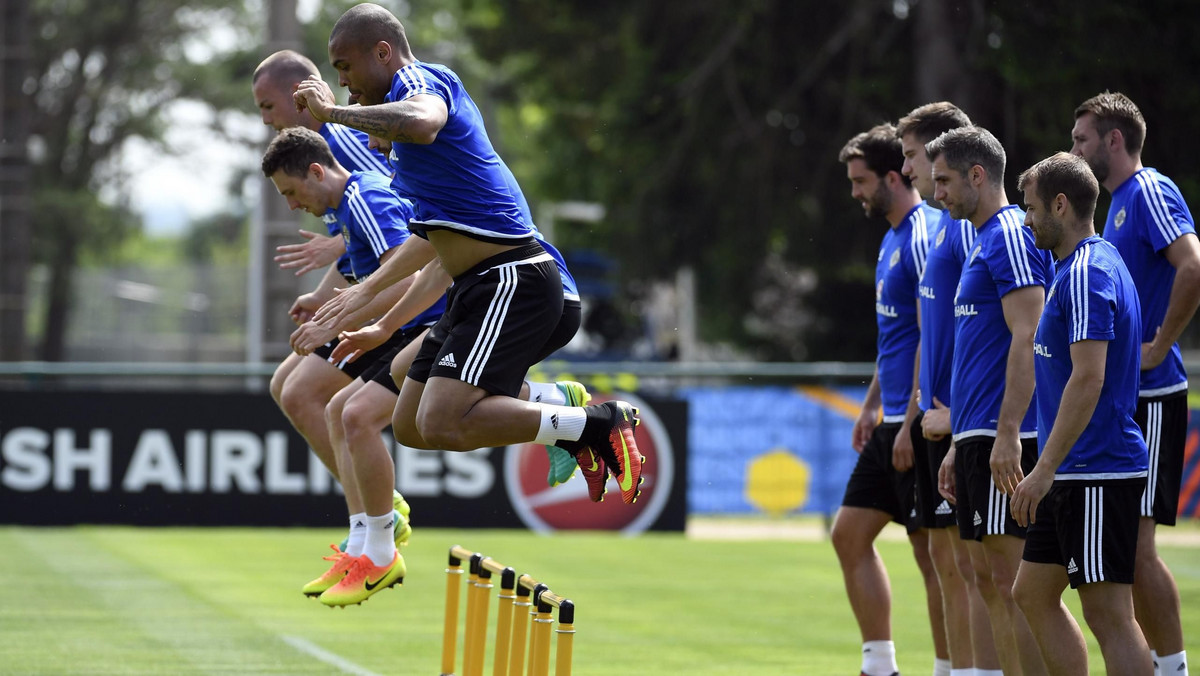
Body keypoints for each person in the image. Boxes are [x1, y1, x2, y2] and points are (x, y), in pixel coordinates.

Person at [290, 3, 645, 505]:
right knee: (413, 424)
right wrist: (363, 300)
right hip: (476, 290)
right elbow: (430, 247)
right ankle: (566, 420)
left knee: (442, 418)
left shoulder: (419, 80)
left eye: (345, 67)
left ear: (383, 52)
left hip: (511, 280)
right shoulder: (411, 169)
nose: (343, 82)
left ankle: (593, 425)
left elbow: (423, 120)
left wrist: (332, 114)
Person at [261, 126, 445, 606]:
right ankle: (365, 542)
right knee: (339, 411)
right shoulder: (345, 208)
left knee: (352, 414)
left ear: (317, 171)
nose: (290, 205)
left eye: (291, 191)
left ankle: (379, 542)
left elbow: (398, 279)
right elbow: (364, 274)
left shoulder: (367, 199)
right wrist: (325, 306)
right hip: (402, 327)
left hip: (427, 325)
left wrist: (337, 324)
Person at [252, 50, 407, 540]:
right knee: (289, 388)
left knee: (309, 396)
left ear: (301, 98)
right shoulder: (314, 154)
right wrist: (324, 294)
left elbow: (393, 212)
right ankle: (372, 520)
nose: (265, 120)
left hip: (413, 295)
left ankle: (377, 523)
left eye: (267, 107)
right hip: (380, 289)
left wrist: (338, 249)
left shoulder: (339, 142)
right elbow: (367, 231)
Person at [1070, 91, 1199, 676]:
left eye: (1082, 140)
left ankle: (1172, 668)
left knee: (1139, 550)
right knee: (1125, 552)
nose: (1074, 150)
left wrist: (1162, 343)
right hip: (1128, 400)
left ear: (1113, 140)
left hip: (1151, 396)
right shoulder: (1118, 202)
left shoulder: (1146, 190)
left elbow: (1193, 264)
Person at [1011, 151, 1153, 675]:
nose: (1026, 221)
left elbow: (1089, 376)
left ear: (1061, 205)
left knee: (1110, 615)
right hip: (1070, 470)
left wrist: (1043, 468)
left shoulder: (1089, 272)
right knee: (1031, 594)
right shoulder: (1076, 266)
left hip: (1095, 467)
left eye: (1030, 208)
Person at [927, 126, 1050, 676]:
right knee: (988, 579)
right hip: (977, 436)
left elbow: (1030, 334)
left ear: (978, 175)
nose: (937, 194)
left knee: (1014, 584)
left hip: (1009, 440)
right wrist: (961, 439)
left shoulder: (1008, 235)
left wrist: (1006, 433)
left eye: (945, 181)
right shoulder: (981, 238)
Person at [830, 122, 941, 676]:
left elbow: (931, 333)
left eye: (861, 181)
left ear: (893, 178)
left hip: (915, 425)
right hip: (889, 417)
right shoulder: (891, 239)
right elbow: (894, 336)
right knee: (848, 535)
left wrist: (911, 420)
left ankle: (950, 667)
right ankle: (880, 668)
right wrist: (871, 404)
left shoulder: (923, 235)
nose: (855, 193)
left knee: (933, 559)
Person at [896, 102, 999, 676]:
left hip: (960, 419)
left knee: (976, 568)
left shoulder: (967, 231)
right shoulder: (941, 227)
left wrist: (957, 416)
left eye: (915, 156)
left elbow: (986, 329)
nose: (912, 173)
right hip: (939, 416)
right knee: (948, 561)